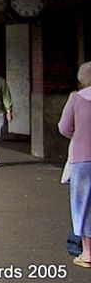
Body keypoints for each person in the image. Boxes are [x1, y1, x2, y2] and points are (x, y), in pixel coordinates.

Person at [59, 61, 91, 268]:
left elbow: (64, 127)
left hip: (82, 157)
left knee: (83, 205)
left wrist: (77, 136)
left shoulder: (75, 98)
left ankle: (87, 253)